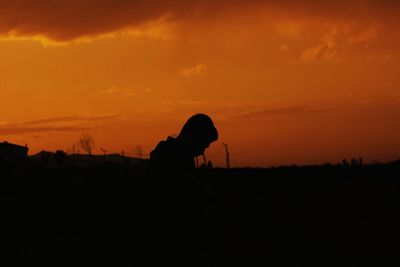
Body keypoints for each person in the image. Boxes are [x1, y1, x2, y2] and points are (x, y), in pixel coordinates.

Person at [147, 113, 218, 266]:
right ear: (192, 137)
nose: (203, 152)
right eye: (203, 144)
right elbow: (177, 204)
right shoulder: (170, 160)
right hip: (174, 248)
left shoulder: (179, 158)